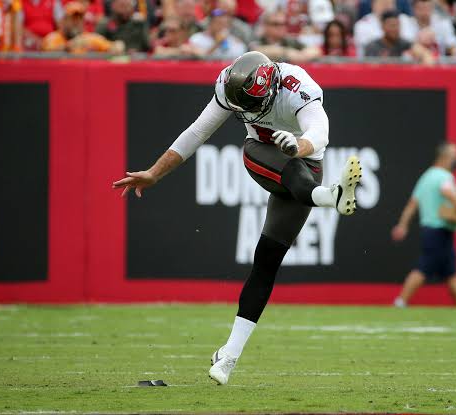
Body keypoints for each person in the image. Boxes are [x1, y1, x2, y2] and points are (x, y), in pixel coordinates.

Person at [112, 51, 362, 385]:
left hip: (304, 163)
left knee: (267, 261)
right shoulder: (231, 84)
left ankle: (227, 357)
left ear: (272, 88)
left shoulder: (297, 84)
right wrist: (155, 173)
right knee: (256, 151)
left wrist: (297, 145)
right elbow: (198, 131)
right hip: (264, 155)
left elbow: (320, 132)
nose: (246, 112)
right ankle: (331, 196)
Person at [391, 142, 456, 309]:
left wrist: (402, 225)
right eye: (455, 156)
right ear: (445, 158)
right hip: (439, 230)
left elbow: (412, 204)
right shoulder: (444, 177)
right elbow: (448, 192)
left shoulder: (426, 176)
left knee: (451, 271)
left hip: (432, 230)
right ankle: (400, 302)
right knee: (424, 268)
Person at [42, 1, 124, 53]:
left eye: (80, 19)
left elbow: (114, 47)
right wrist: (67, 47)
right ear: (64, 20)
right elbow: (47, 51)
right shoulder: (53, 37)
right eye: (73, 19)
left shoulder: (88, 38)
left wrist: (116, 47)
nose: (76, 22)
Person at [364, 10, 435, 63]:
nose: (395, 29)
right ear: (382, 26)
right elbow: (369, 67)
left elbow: (426, 55)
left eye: (397, 25)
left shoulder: (404, 43)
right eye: (392, 25)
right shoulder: (372, 46)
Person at [251, 9, 320, 62]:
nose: (280, 27)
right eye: (276, 24)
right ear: (265, 26)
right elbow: (255, 50)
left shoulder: (290, 41)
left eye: (284, 24)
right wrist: (287, 53)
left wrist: (302, 55)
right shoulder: (257, 40)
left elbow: (315, 50)